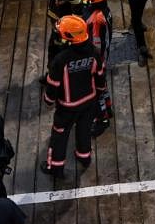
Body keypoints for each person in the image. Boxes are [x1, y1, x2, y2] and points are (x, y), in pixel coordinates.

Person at [40, 15, 106, 178]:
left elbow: (53, 84)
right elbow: (100, 77)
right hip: (88, 102)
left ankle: (55, 167)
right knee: (84, 130)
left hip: (67, 107)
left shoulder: (61, 60)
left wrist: (48, 100)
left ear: (69, 37)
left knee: (59, 135)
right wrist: (99, 92)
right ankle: (84, 157)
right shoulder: (94, 52)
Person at [77, 0, 113, 136]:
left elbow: (97, 46)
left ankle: (102, 119)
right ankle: (108, 106)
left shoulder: (97, 18)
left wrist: (90, 63)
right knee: (102, 85)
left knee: (95, 91)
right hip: (101, 59)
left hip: (96, 61)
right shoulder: (102, 10)